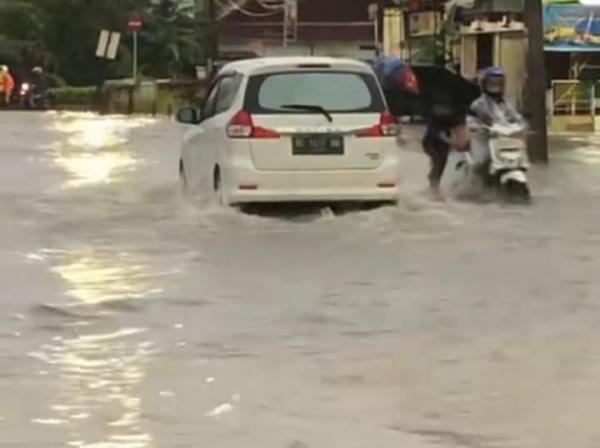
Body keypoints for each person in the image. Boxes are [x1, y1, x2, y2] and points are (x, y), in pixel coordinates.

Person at [422, 98, 469, 193]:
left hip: (443, 144)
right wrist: (455, 143)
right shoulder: (435, 119)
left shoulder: (455, 116)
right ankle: (433, 184)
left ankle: (435, 182)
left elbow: (460, 129)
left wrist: (462, 142)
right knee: (438, 160)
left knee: (442, 161)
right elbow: (440, 135)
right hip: (431, 142)